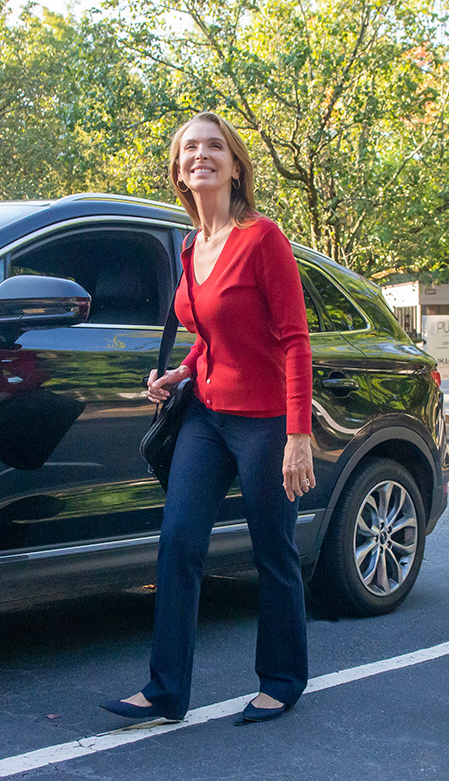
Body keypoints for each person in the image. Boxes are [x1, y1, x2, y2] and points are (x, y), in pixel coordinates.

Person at [101, 112, 314, 725]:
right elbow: (212, 333)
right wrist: (179, 373)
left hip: (266, 419)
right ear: (178, 168)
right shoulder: (191, 244)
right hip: (206, 414)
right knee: (179, 543)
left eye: (214, 146)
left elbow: (294, 341)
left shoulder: (263, 238)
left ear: (235, 164)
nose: (202, 155)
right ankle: (166, 689)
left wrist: (298, 435)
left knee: (272, 549)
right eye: (190, 148)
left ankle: (282, 679)